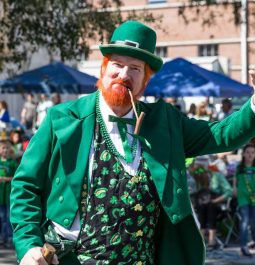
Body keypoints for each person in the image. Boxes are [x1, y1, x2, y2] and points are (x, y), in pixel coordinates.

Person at [9, 20, 255, 265]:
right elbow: (26, 186)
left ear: (145, 81)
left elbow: (224, 134)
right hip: (70, 259)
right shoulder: (62, 119)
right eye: (117, 64)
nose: (124, 75)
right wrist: (29, 244)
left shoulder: (165, 122)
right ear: (103, 70)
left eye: (135, 68)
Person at [191, 160, 232, 250]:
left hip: (218, 204)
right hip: (203, 205)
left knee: (210, 206)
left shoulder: (217, 176)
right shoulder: (198, 180)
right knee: (202, 206)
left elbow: (229, 191)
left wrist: (216, 200)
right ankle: (201, 240)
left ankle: (211, 240)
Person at [233, 144, 255, 257]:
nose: (250, 154)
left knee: (253, 221)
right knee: (245, 221)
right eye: (248, 152)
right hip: (243, 198)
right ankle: (244, 246)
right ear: (244, 154)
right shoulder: (239, 168)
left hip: (254, 198)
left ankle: (252, 242)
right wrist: (234, 188)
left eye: (252, 152)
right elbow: (235, 180)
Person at [0, 140, 17, 247]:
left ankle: (10, 238)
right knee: (1, 217)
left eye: (7, 148)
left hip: (8, 195)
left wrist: (5, 179)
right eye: (3, 148)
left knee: (8, 217)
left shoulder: (12, 163)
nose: (5, 150)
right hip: (0, 196)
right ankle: (2, 237)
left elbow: (17, 177)